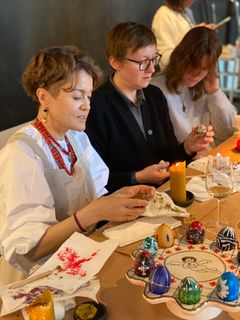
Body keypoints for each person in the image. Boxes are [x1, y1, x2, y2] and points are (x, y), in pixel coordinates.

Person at [0, 45, 156, 284]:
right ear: (44, 97)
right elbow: (29, 250)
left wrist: (122, 196)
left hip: (80, 262)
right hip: (39, 281)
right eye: (76, 97)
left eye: (89, 96)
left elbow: (97, 196)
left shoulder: (76, 138)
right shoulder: (21, 154)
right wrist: (94, 212)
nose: (87, 106)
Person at [86, 22, 214, 194]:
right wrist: (137, 177)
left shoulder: (155, 95)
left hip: (163, 195)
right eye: (143, 62)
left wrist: (187, 148)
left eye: (154, 59)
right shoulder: (95, 106)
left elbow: (168, 157)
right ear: (115, 62)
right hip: (125, 204)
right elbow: (93, 179)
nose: (151, 69)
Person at [151, 26, 237, 146]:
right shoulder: (156, 88)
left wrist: (214, 92)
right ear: (180, 57)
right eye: (193, 64)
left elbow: (226, 133)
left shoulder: (204, 85)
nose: (196, 73)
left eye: (204, 68)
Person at [152, 0, 215, 70]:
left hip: (190, 69)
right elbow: (164, 59)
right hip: (174, 74)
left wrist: (200, 32)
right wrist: (195, 35)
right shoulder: (163, 15)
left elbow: (187, 36)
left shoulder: (187, 11)